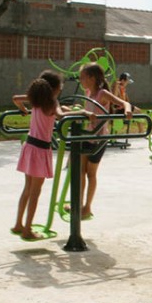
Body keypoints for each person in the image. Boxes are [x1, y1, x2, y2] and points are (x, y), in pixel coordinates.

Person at [11, 71, 93, 241]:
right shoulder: (51, 102)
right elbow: (60, 115)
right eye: (60, 88)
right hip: (41, 149)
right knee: (35, 192)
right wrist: (83, 113)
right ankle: (27, 230)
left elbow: (16, 99)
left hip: (30, 146)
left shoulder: (36, 99)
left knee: (27, 189)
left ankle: (19, 224)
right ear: (54, 89)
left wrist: (24, 110)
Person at [74, 62, 132, 219]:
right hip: (87, 135)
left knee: (90, 173)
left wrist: (127, 110)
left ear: (92, 78)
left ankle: (88, 206)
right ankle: (78, 204)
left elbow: (124, 103)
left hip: (99, 138)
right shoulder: (88, 92)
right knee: (80, 171)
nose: (80, 80)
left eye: (83, 77)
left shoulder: (102, 94)